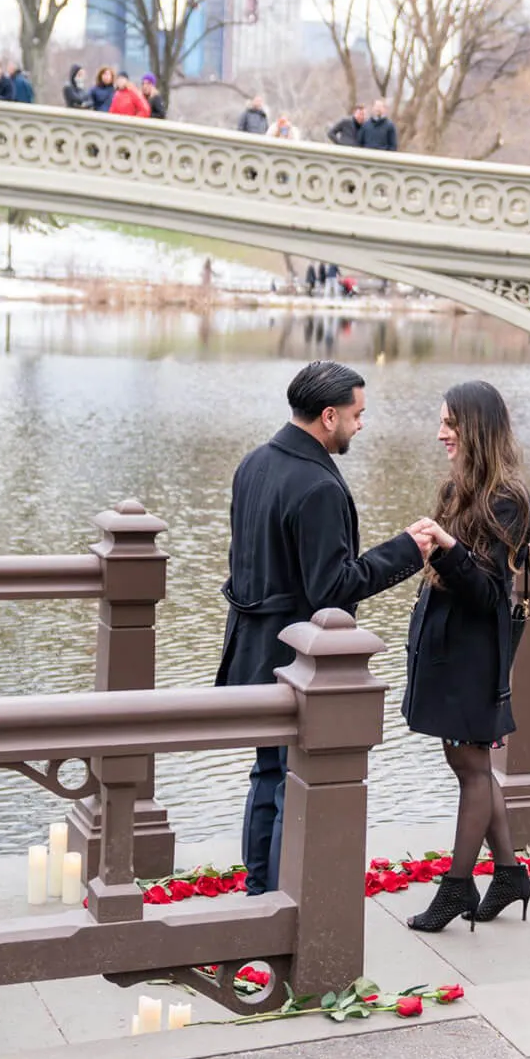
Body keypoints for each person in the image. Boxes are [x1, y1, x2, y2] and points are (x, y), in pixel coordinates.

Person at [216, 362, 431, 896]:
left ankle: (258, 894)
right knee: (293, 784)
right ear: (329, 415)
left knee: (267, 775)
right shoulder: (318, 486)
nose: (362, 425)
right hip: (295, 663)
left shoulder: (254, 463)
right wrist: (409, 550)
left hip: (249, 650)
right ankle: (283, 903)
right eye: (357, 415)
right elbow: (331, 587)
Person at [401, 382, 530, 932]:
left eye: (450, 425)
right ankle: (509, 874)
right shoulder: (457, 490)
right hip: (447, 653)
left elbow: (489, 596)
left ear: (476, 428)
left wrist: (450, 550)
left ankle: (456, 888)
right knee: (467, 764)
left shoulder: (509, 500)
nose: (440, 434)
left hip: (475, 657)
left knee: (473, 769)